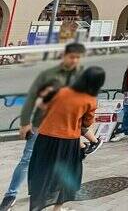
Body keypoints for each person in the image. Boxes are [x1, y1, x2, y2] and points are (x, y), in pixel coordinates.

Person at [0, 43, 85, 211]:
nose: (74, 60)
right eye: (71, 56)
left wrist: (80, 131)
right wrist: (25, 122)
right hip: (42, 126)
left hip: (64, 131)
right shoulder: (49, 75)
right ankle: (10, 195)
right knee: (27, 160)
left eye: (77, 57)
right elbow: (32, 97)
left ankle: (53, 203)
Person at [28, 66, 104, 211]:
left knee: (41, 173)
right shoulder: (90, 99)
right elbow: (87, 122)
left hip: (45, 137)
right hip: (67, 142)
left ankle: (36, 208)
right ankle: (57, 208)